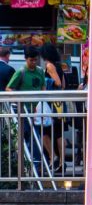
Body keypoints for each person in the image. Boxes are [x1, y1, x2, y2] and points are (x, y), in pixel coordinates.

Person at [5, 46, 46, 172]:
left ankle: (36, 168)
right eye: (31, 60)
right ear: (25, 59)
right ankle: (23, 168)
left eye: (35, 60)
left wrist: (41, 104)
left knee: (36, 141)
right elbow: (8, 89)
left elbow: (43, 87)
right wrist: (20, 99)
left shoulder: (40, 71)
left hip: (36, 112)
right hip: (23, 112)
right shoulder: (21, 72)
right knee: (26, 140)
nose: (33, 63)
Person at [39, 44, 69, 172]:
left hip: (51, 103)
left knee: (45, 132)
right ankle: (61, 162)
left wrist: (45, 82)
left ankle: (54, 157)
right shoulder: (59, 66)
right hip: (60, 103)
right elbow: (63, 85)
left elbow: (57, 82)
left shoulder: (49, 66)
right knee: (59, 133)